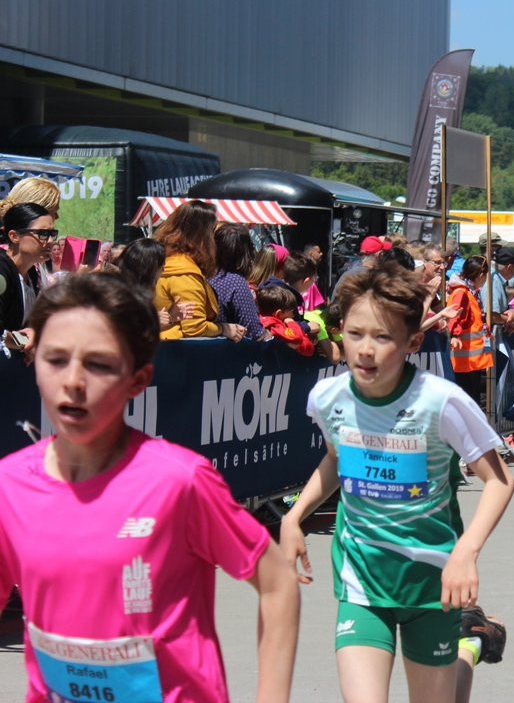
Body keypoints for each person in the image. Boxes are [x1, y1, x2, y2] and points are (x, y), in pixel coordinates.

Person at [0, 273, 299, 702]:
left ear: (138, 380)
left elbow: (277, 582)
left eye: (99, 364)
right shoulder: (10, 485)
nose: (73, 381)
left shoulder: (179, 481)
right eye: (56, 359)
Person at [277, 263, 514, 703]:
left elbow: (500, 481)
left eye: (383, 338)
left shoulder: (441, 402)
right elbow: (336, 459)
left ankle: (470, 644)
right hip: (362, 579)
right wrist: (294, 517)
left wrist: (466, 552)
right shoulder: (327, 398)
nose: (365, 350)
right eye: (355, 334)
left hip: (432, 581)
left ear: (413, 341)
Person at [154, 200, 244, 341]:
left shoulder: (166, 261)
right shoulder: (185, 273)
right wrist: (224, 329)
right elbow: (195, 328)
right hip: (178, 354)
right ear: (202, 236)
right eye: (212, 232)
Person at [1, 203, 56, 352]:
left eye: (52, 234)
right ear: (14, 236)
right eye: (43, 234)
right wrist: (25, 341)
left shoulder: (32, 272)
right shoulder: (2, 270)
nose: (50, 241)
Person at [116, 237, 195, 331]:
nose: (163, 271)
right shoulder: (120, 297)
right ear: (149, 270)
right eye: (161, 267)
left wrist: (169, 317)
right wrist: (154, 322)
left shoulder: (121, 289)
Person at [448, 255, 495, 407]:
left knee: (472, 399)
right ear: (481, 275)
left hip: (471, 359)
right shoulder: (462, 292)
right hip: (465, 359)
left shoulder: (469, 292)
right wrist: (454, 334)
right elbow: (453, 316)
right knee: (468, 401)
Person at [209, 222, 267, 341]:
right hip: (228, 354)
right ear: (246, 252)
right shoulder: (234, 282)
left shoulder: (206, 275)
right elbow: (254, 332)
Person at [257, 284, 315, 356]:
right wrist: (290, 321)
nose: (293, 315)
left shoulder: (259, 318)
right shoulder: (273, 326)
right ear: (278, 313)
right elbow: (296, 337)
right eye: (292, 312)